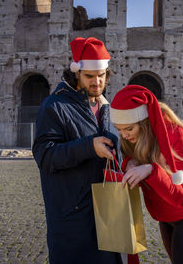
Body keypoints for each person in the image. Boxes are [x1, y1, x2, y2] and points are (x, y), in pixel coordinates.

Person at [32, 37, 123, 264]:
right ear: (75, 74)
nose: (97, 82)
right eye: (90, 76)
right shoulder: (54, 106)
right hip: (72, 217)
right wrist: (89, 147)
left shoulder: (106, 108)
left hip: (107, 213)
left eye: (101, 76)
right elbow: (45, 155)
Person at [110, 85, 183, 264]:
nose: (124, 135)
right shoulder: (136, 136)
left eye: (128, 129)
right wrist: (130, 163)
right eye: (119, 130)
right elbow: (128, 159)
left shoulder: (177, 135)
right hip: (165, 216)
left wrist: (150, 170)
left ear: (144, 123)